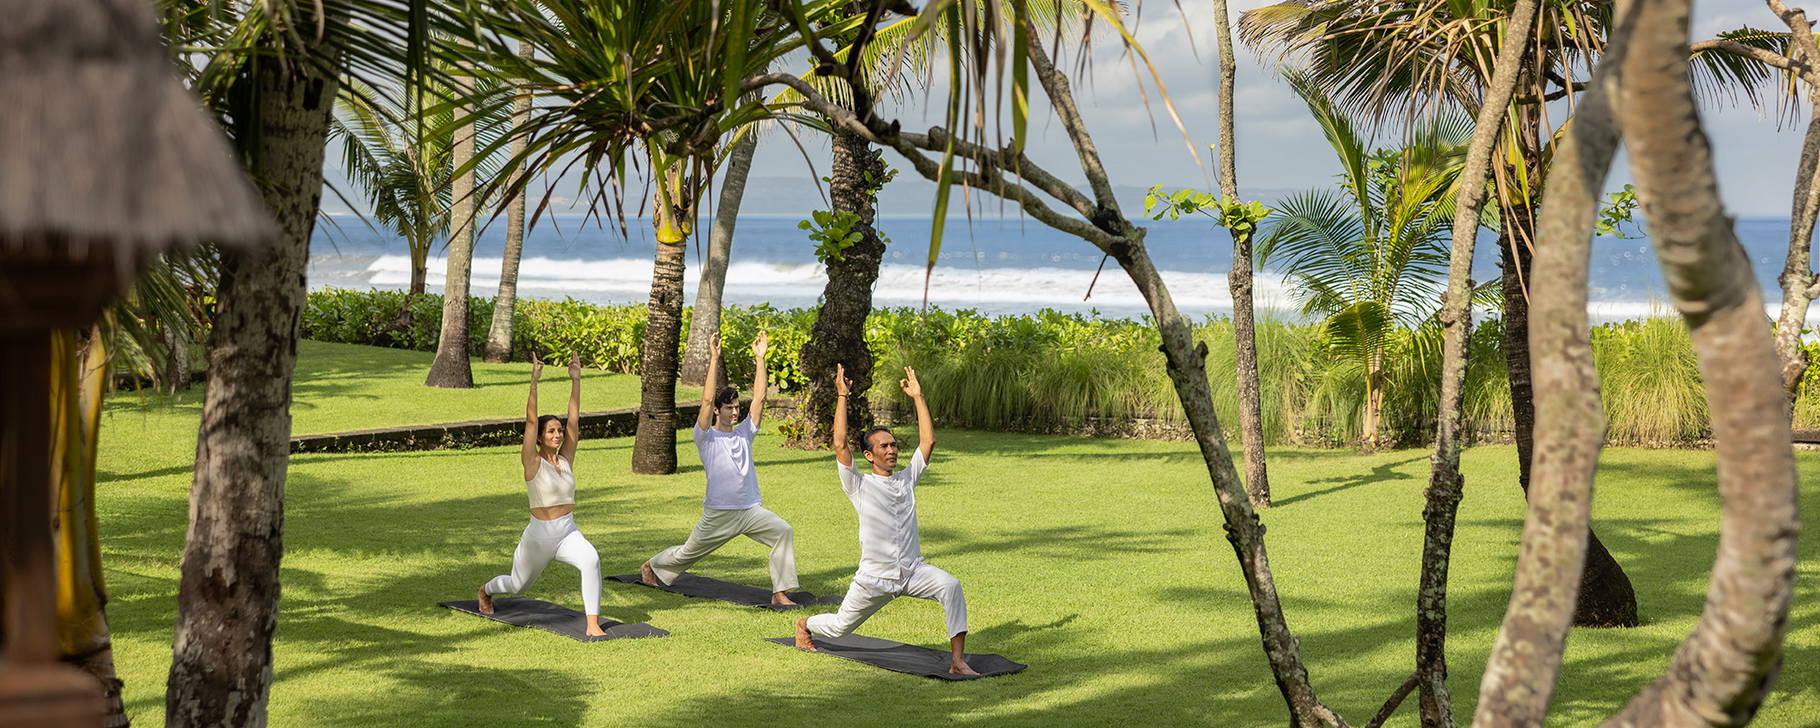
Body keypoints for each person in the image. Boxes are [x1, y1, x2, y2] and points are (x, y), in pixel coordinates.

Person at [793, 364, 977, 675]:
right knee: (839, 627)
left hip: (913, 571)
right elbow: (840, 444)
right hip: (874, 578)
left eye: (893, 445)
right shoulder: (859, 485)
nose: (892, 450)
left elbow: (928, 443)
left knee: (951, 586)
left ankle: (958, 662)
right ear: (869, 455)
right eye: (884, 446)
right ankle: (805, 624)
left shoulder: (907, 479)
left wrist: (918, 397)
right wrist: (842, 395)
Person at [641, 331, 800, 606]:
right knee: (688, 553)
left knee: (783, 531)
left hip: (750, 510)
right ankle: (652, 566)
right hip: (719, 514)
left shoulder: (745, 433)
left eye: (737, 407)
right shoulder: (705, 437)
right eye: (728, 408)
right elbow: (704, 400)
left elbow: (760, 400)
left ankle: (779, 593)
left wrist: (760, 359)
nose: (735, 413)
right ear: (717, 410)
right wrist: (714, 358)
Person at [478, 353, 608, 637]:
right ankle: (486, 591)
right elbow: (529, 423)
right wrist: (534, 382)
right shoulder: (532, 463)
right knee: (517, 586)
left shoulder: (565, 460)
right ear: (540, 437)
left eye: (559, 431)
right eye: (551, 431)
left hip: (567, 531)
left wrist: (576, 380)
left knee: (591, 560)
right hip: (538, 535)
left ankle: (592, 623)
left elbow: (574, 420)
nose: (558, 435)